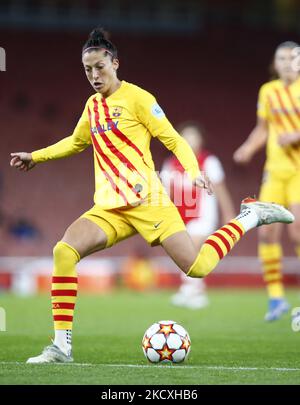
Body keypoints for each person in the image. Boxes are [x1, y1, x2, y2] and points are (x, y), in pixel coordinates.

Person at [10, 29, 294, 363]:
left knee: (198, 268)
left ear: (115, 63)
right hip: (110, 208)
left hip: (149, 204)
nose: (94, 75)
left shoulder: (140, 99)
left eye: (100, 67)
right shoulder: (92, 106)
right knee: (64, 251)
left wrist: (192, 171)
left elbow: (174, 140)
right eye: (88, 70)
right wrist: (36, 156)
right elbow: (76, 141)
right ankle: (61, 347)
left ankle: (249, 217)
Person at [233, 41, 300, 321]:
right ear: (275, 63)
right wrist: (248, 147)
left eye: (292, 58)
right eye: (281, 58)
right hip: (274, 171)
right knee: (265, 232)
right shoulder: (268, 91)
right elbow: (263, 129)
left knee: (297, 232)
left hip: (298, 171)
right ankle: (275, 299)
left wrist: (296, 137)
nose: (286, 63)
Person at [161, 122, 235, 309]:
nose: (190, 141)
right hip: (178, 216)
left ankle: (195, 290)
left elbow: (220, 189)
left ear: (201, 140)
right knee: (182, 249)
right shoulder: (170, 164)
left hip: (203, 214)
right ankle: (190, 288)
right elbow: (164, 193)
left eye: (193, 137)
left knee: (192, 244)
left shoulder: (209, 161)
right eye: (185, 137)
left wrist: (228, 214)